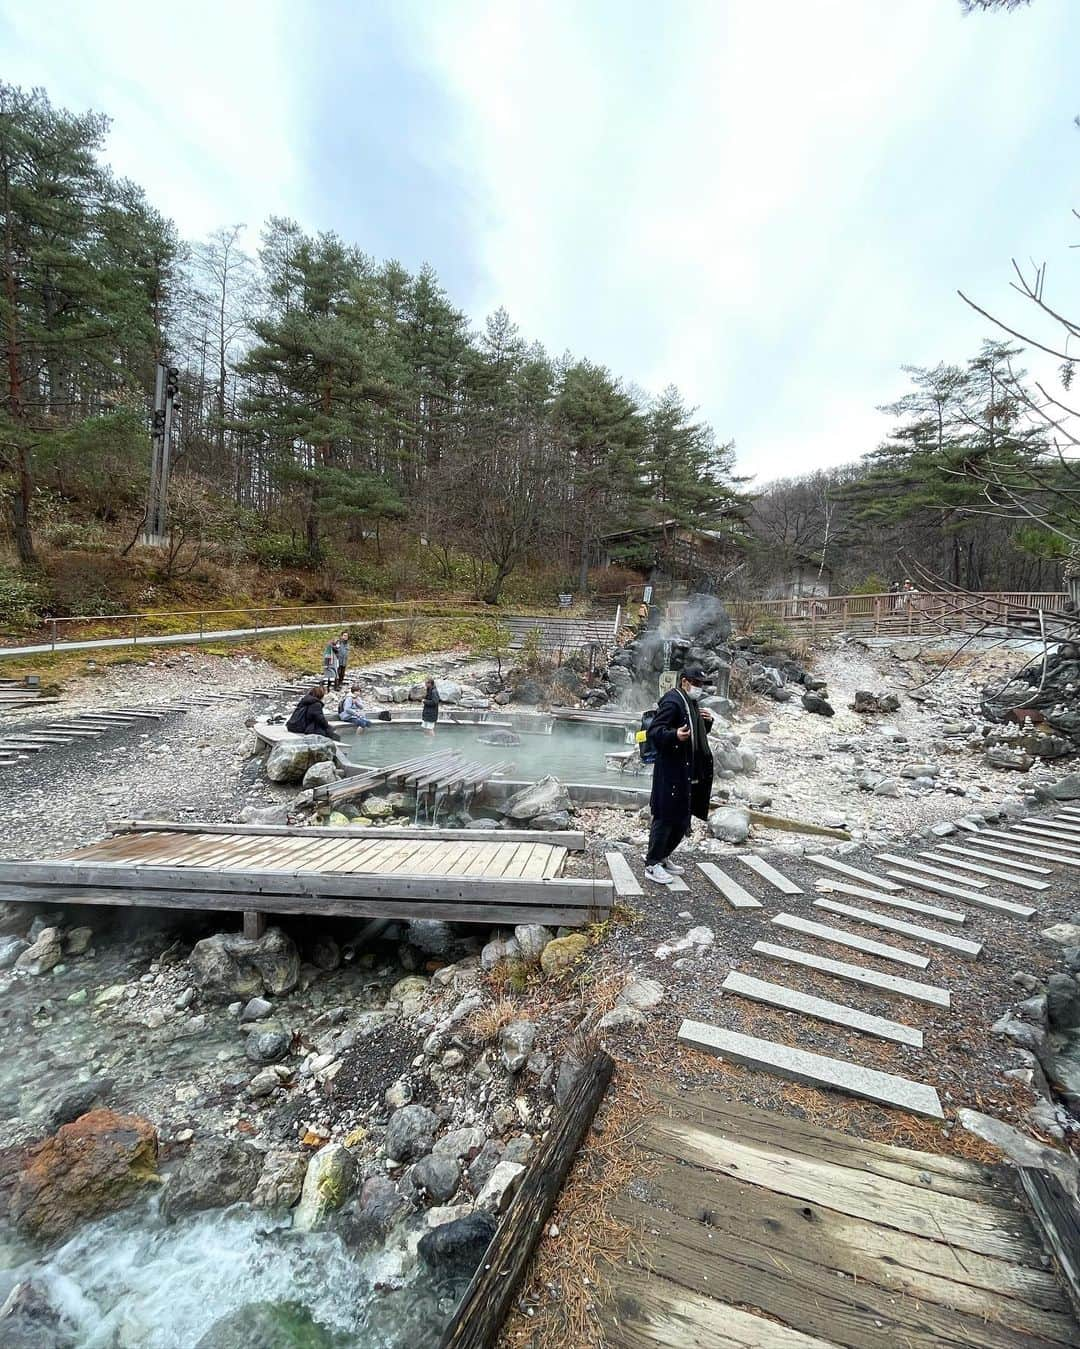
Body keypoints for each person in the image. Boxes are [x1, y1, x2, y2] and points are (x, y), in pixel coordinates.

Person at [644, 665, 715, 885]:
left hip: (687, 770)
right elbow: (654, 731)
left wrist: (706, 722)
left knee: (683, 818)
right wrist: (674, 735)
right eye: (696, 683)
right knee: (665, 817)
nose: (699, 688)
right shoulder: (673, 701)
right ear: (684, 681)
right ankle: (652, 863)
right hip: (671, 771)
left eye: (701, 684)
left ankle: (664, 857)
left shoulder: (691, 702)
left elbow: (693, 733)